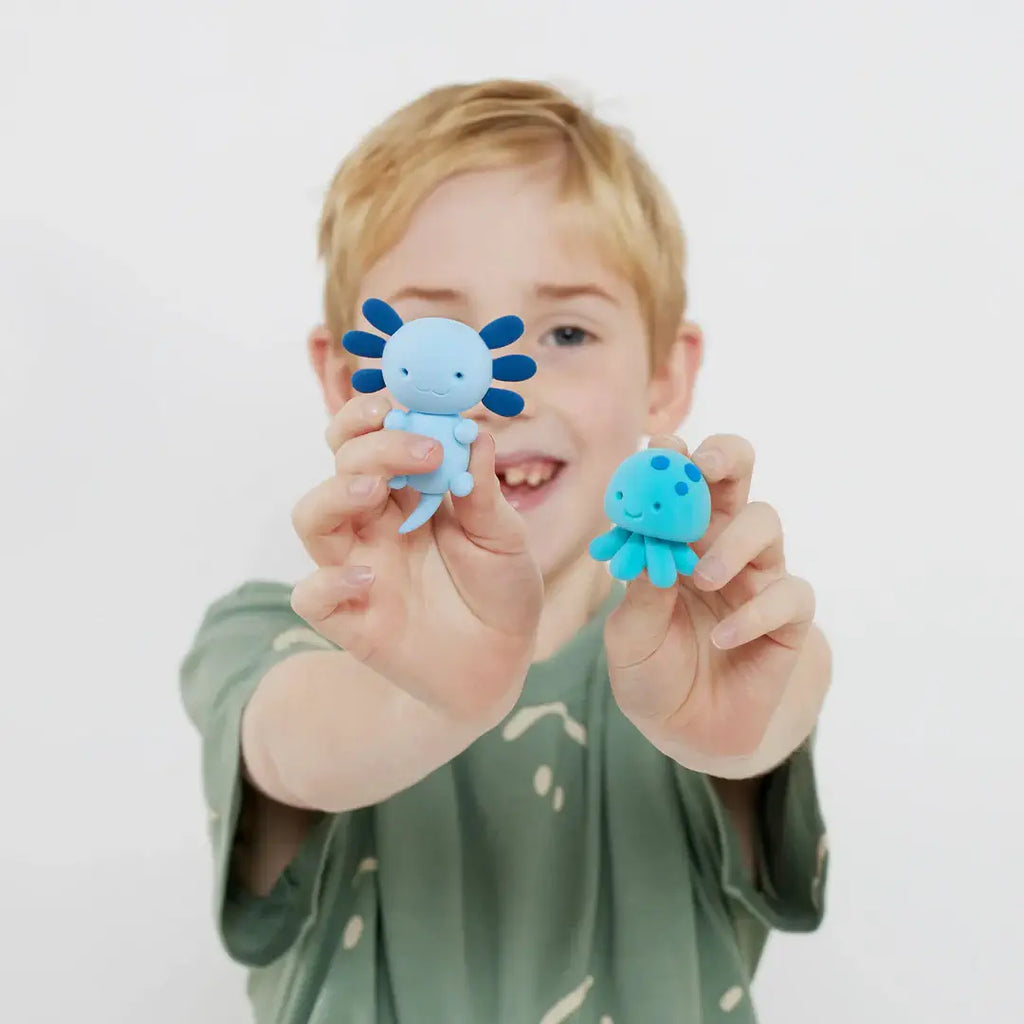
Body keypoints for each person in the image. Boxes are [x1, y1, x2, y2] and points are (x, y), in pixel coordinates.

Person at [180, 78, 831, 1024]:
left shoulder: (709, 634)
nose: (495, 392)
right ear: (343, 372)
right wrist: (435, 693)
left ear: (664, 377)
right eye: (437, 341)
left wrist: (732, 726)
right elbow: (294, 743)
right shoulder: (276, 638)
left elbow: (788, 683)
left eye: (567, 331)